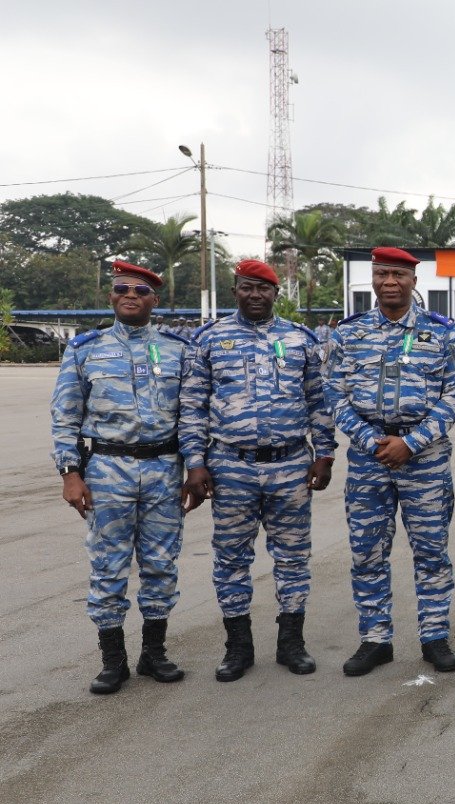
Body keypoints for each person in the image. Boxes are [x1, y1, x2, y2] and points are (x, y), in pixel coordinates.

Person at [178, 260, 338, 682]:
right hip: (231, 465)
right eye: (247, 288)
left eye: (263, 289)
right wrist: (195, 462)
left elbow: (319, 403)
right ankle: (238, 647)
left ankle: (291, 643)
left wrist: (325, 454)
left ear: (275, 294)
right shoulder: (209, 340)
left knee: (293, 557)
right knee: (231, 558)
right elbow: (192, 405)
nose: (254, 295)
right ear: (235, 290)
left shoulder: (299, 339)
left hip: (290, 465)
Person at [324, 246, 455, 676]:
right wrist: (371, 440)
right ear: (372, 279)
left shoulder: (443, 333)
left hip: (425, 461)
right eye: (382, 274)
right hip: (369, 462)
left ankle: (435, 636)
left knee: (431, 553)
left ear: (413, 282)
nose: (390, 282)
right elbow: (333, 393)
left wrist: (413, 442)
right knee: (368, 552)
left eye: (399, 275)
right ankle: (375, 638)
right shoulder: (348, 334)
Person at [51, 261, 193, 694]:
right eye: (122, 288)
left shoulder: (177, 349)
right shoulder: (85, 348)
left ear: (155, 299)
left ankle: (154, 653)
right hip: (107, 469)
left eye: (141, 290)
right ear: (112, 297)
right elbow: (65, 416)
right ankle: (113, 660)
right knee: (108, 565)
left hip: (164, 469)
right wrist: (70, 473)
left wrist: (194, 467)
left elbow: (191, 416)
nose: (130, 294)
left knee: (160, 564)